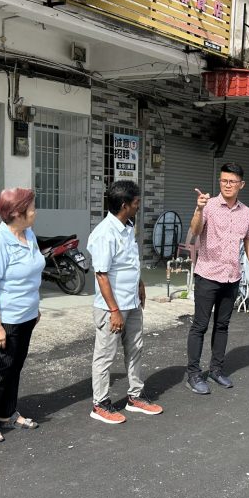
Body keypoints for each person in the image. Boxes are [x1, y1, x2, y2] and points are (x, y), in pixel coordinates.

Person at [185, 163, 249, 395]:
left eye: (232, 181)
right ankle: (193, 374)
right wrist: (198, 209)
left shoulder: (246, 212)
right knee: (200, 326)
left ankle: (216, 370)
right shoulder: (209, 206)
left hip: (232, 278)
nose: (227, 185)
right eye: (223, 181)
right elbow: (194, 231)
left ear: (241, 184)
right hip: (207, 275)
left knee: (222, 326)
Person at [0, 188, 46, 443]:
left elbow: (32, 275)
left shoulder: (28, 235)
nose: (35, 211)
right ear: (17, 213)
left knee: (15, 365)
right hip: (4, 318)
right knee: (1, 367)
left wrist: (34, 308)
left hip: (25, 314)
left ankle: (6, 413)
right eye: (32, 207)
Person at [88, 180, 162, 424]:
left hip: (131, 303)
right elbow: (101, 275)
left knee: (135, 349)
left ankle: (135, 396)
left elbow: (130, 261)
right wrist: (114, 310)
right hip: (113, 308)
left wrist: (139, 284)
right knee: (106, 355)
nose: (139, 206)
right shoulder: (104, 234)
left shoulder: (127, 226)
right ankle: (100, 404)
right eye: (136, 202)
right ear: (124, 205)